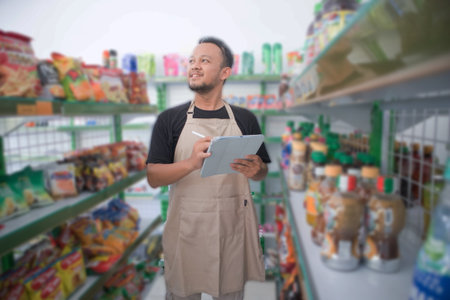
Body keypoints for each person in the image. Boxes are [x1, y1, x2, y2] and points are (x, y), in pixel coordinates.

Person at [146, 36, 271, 300]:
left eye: (204, 60)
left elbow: (262, 173)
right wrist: (191, 163)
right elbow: (154, 177)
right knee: (182, 292)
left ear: (225, 72)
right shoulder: (170, 120)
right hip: (186, 228)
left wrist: (256, 170)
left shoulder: (245, 119)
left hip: (231, 228)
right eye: (192, 60)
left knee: (229, 292)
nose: (194, 66)